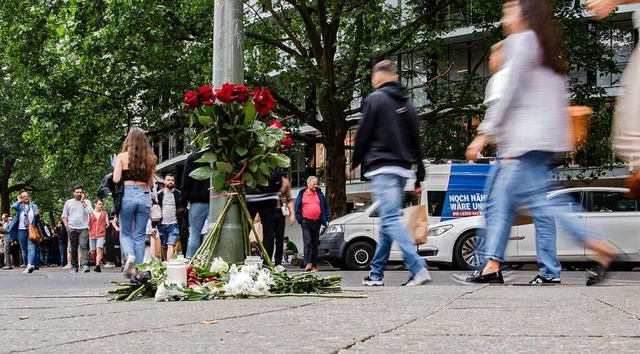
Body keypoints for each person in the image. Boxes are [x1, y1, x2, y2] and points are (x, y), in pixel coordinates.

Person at [462, 0, 618, 285]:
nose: (503, 18)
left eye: (508, 11)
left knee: (517, 202)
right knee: (530, 201)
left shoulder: (521, 42)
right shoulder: (545, 47)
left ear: (523, 13)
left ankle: (596, 244)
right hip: (545, 139)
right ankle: (493, 265)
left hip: (524, 140)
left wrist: (483, 133)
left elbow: (511, 93)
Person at [350, 60, 431, 287]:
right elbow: (416, 140)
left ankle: (417, 267)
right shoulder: (407, 102)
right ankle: (376, 274)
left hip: (382, 165)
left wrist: (354, 160)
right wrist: (419, 175)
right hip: (403, 169)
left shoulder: (374, 99)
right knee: (388, 221)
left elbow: (363, 133)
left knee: (392, 218)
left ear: (377, 77)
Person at [112, 127, 157, 277]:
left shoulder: (121, 157)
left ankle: (129, 255)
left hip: (127, 194)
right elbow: (150, 184)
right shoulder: (149, 158)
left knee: (125, 232)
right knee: (139, 235)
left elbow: (116, 179)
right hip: (144, 195)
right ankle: (140, 268)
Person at [294, 176, 330, 272]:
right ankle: (307, 263)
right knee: (308, 242)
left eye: (316, 183)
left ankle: (314, 265)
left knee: (314, 244)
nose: (315, 185)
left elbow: (325, 207)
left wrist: (326, 219)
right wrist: (300, 219)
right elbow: (296, 207)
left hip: (317, 222)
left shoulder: (319, 194)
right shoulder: (302, 194)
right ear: (308, 183)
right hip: (306, 222)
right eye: (313, 183)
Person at [180, 150, 210, 258]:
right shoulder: (218, 155)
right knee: (210, 232)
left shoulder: (193, 157)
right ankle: (208, 260)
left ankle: (191, 261)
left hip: (197, 200)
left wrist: (183, 201)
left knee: (194, 233)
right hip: (216, 200)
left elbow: (186, 181)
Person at [62, 185, 93, 273]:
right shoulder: (68, 202)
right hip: (72, 228)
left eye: (80, 192)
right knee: (73, 248)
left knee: (83, 246)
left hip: (83, 228)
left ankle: (85, 265)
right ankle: (74, 266)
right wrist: (67, 227)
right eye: (77, 192)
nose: (79, 194)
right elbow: (64, 216)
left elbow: (89, 211)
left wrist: (83, 201)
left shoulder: (87, 202)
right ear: (73, 193)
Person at [8, 192, 40, 273]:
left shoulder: (34, 206)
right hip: (21, 230)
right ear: (21, 198)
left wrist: (37, 215)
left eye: (27, 196)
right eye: (23, 196)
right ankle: (26, 266)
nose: (26, 197)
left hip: (31, 230)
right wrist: (19, 200)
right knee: (24, 250)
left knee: (31, 248)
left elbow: (37, 218)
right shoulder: (19, 206)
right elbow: (13, 206)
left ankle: (29, 264)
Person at [157, 173, 182, 260]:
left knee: (171, 244)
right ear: (164, 181)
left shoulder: (178, 194)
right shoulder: (159, 194)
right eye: (168, 180)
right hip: (162, 224)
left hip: (174, 223)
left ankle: (169, 266)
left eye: (172, 180)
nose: (170, 182)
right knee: (164, 246)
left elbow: (182, 208)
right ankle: (166, 263)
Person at [272, 176, 295, 271]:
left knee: (280, 238)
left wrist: (292, 214)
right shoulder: (264, 178)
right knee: (267, 237)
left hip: (280, 211)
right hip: (267, 211)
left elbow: (289, 199)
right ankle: (265, 261)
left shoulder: (285, 182)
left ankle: (278, 263)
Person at [88, 198, 109, 272]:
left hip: (101, 234)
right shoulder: (90, 213)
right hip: (92, 234)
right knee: (92, 252)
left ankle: (98, 266)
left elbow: (107, 223)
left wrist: (106, 225)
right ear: (95, 204)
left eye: (102, 204)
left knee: (99, 250)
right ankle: (95, 262)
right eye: (99, 204)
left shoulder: (104, 213)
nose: (101, 205)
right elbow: (88, 223)